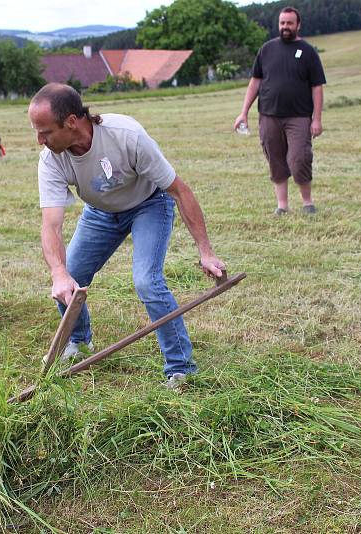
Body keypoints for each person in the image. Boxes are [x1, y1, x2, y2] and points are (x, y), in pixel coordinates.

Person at [28, 83, 225, 388]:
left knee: (147, 281)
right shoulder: (52, 159)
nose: (39, 140)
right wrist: (58, 272)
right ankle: (78, 343)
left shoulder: (126, 136)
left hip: (149, 204)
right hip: (100, 213)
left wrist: (206, 251)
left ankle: (181, 368)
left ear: (71, 121)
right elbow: (50, 225)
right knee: (72, 275)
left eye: (45, 132)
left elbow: (179, 191)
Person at [234, 6, 326, 215]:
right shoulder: (266, 49)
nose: (285, 27)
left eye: (289, 23)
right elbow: (255, 82)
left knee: (299, 158)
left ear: (298, 25)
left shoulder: (309, 52)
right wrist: (243, 112)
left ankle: (307, 203)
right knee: (275, 159)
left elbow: (317, 87)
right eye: (282, 23)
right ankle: (282, 206)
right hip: (269, 115)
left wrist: (317, 119)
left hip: (299, 116)